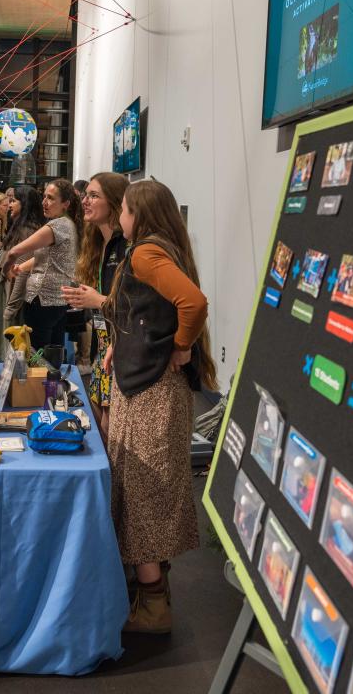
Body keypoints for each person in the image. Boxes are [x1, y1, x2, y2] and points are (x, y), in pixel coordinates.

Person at [102, 179, 217, 634]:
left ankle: (154, 606)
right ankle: (154, 591)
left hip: (152, 392)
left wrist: (183, 347)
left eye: (124, 210)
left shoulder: (146, 253)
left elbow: (193, 303)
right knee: (142, 490)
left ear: (137, 214)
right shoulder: (161, 248)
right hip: (147, 388)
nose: (120, 217)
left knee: (143, 494)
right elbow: (151, 310)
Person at [62, 172, 128, 442]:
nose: (85, 201)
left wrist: (96, 300)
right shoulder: (97, 243)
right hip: (104, 349)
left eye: (93, 195)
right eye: (85, 195)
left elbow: (137, 307)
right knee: (101, 427)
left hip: (122, 352)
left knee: (112, 432)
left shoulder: (128, 246)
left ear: (114, 202)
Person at [2, 179, 82, 350]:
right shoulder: (68, 224)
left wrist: (7, 268)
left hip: (42, 299)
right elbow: (46, 257)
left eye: (51, 198)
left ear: (65, 204)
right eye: (44, 196)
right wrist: (21, 267)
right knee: (52, 353)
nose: (44, 202)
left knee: (37, 356)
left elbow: (14, 252)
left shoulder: (57, 225)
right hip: (57, 301)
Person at [0, 185, 44, 360]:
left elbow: (21, 273)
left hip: (14, 301)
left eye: (14, 201)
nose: (9, 204)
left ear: (25, 204)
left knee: (14, 352)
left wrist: (10, 309)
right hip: (10, 296)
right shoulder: (21, 228)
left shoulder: (28, 231)